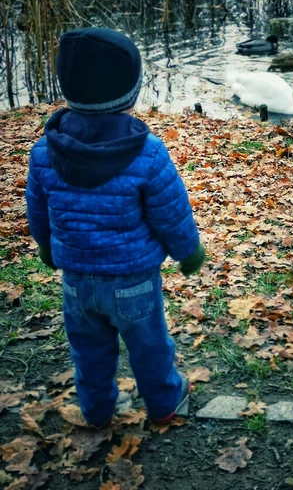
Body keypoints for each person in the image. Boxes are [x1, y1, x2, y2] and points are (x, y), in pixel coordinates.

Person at [25, 27, 205, 427]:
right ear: (132, 93)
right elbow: (170, 211)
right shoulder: (148, 152)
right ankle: (163, 402)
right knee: (149, 346)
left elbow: (38, 208)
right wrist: (188, 251)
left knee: (88, 351)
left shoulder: (45, 151)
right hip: (133, 280)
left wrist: (46, 247)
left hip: (76, 280)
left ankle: (96, 410)